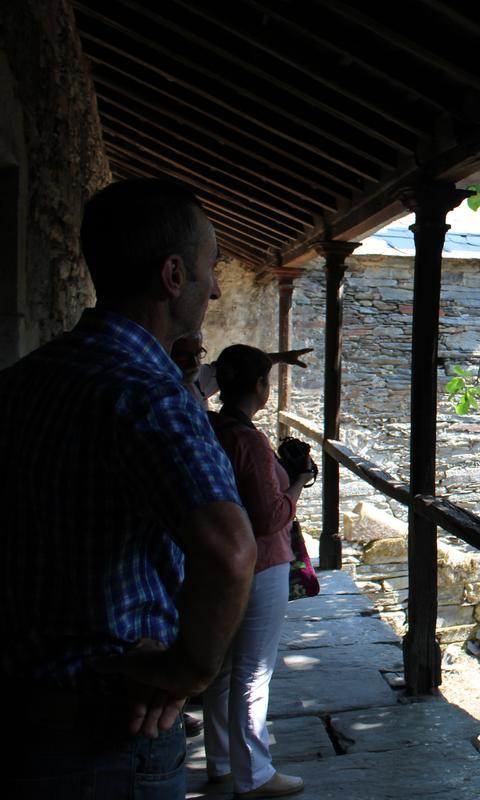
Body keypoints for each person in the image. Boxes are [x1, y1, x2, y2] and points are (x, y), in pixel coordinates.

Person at [0, 178, 257, 797]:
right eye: (209, 268)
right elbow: (229, 551)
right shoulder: (150, 397)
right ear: (173, 275)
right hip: (107, 728)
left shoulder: (21, 381)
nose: (217, 286)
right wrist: (183, 673)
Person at [203, 344, 313, 798]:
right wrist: (298, 482)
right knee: (253, 670)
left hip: (223, 557)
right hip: (262, 560)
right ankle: (256, 775)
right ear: (260, 388)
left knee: (225, 666)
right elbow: (270, 516)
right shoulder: (247, 439)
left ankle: (223, 760)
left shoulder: (211, 422)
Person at [170, 332, 313, 407]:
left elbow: (245, 364)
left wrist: (282, 357)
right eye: (184, 355)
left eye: (198, 353)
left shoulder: (198, 377)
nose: (195, 362)